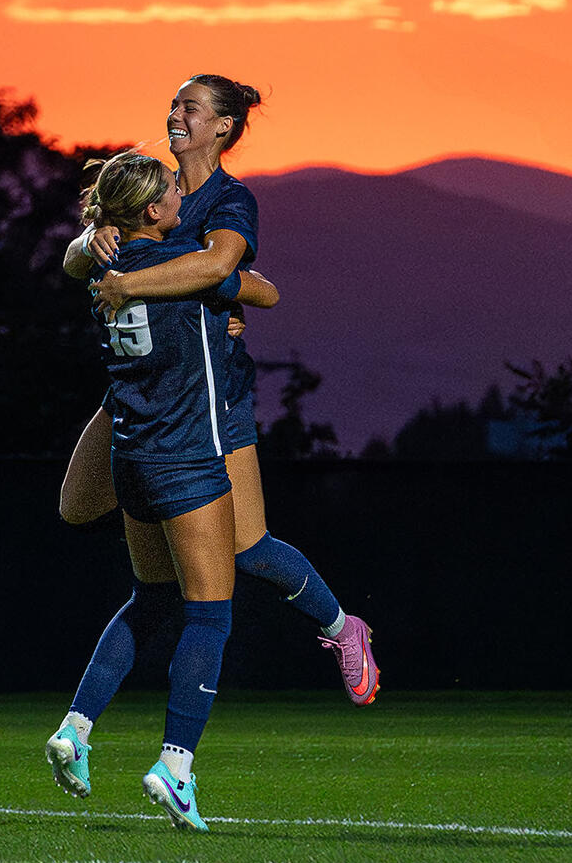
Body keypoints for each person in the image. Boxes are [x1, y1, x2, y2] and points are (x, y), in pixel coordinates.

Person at [60, 75, 378, 706]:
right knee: (75, 506)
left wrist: (137, 287)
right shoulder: (152, 186)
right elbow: (75, 259)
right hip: (140, 392)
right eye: (174, 103)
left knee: (249, 547)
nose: (175, 113)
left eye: (191, 107)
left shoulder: (229, 200)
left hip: (211, 399)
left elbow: (221, 269)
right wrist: (87, 241)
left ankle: (344, 629)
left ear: (223, 126)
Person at [45, 151, 275, 832]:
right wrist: (226, 290)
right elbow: (262, 290)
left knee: (150, 599)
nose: (181, 194)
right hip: (184, 458)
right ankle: (176, 766)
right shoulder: (181, 269)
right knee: (210, 614)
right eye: (172, 190)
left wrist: (90, 245)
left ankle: (76, 728)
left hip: (132, 459)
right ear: (153, 211)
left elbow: (77, 259)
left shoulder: (105, 269)